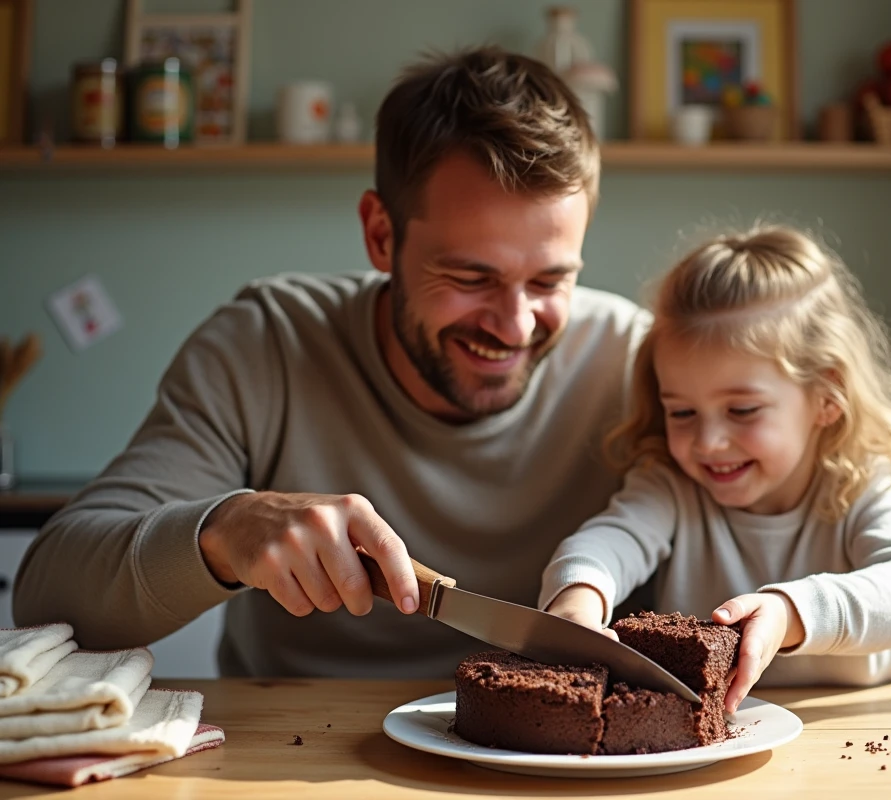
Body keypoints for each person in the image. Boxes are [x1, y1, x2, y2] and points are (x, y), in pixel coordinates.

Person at [13, 47, 650, 679]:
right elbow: (45, 598)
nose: (514, 324)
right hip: (287, 756)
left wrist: (758, 601)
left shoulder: (632, 361)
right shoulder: (266, 344)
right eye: (470, 276)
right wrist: (224, 532)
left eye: (548, 281)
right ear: (380, 234)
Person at [539, 225, 891, 712]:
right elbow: (608, 542)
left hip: (866, 734)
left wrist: (790, 613)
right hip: (720, 738)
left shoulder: (864, 482)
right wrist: (577, 599)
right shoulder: (673, 485)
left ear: (826, 396)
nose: (709, 442)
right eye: (682, 412)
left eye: (743, 411)